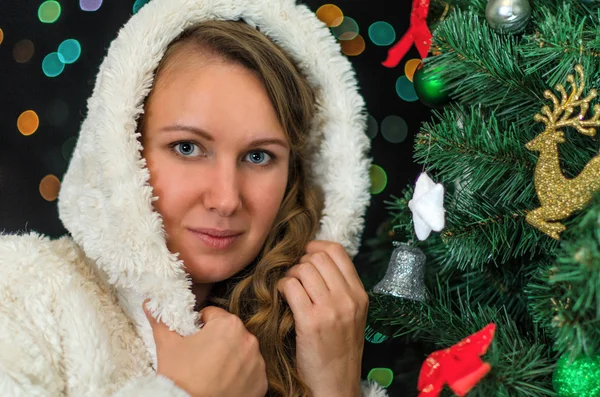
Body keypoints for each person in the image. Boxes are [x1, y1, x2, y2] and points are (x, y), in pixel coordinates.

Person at [0, 1, 386, 396]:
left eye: (259, 156)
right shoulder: (20, 295)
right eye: (187, 147)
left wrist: (337, 385)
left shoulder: (312, 342)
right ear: (123, 150)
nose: (226, 199)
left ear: (295, 173)